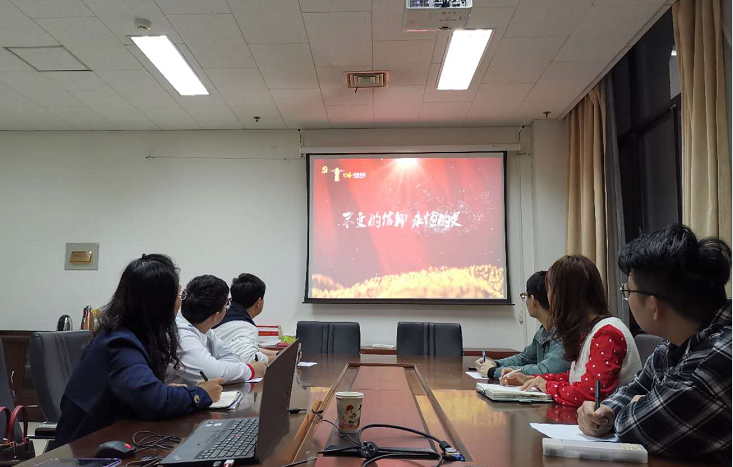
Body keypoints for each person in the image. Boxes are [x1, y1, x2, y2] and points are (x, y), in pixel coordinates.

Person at [578, 225, 731, 461]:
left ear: (653, 306)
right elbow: (635, 389)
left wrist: (633, 408)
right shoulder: (675, 342)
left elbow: (637, 428)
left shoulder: (718, 356)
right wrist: (606, 410)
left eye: (628, 291)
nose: (627, 297)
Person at [55, 254, 224, 446]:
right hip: (87, 451)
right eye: (179, 295)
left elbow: (140, 394)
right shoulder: (119, 343)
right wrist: (200, 394)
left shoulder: (130, 335)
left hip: (114, 439)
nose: (180, 303)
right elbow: (153, 401)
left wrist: (165, 391)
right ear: (159, 303)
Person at [503, 255, 642, 407]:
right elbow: (576, 378)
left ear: (564, 295)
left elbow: (588, 394)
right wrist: (533, 380)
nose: (548, 299)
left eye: (549, 290)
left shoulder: (607, 333)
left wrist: (547, 386)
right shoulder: (588, 331)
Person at [170, 275, 266, 384]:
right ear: (216, 316)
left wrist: (219, 366)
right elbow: (212, 374)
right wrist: (251, 370)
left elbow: (232, 357)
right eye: (226, 305)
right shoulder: (181, 334)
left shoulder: (203, 328)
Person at [475, 271, 570, 379]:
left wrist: (494, 371)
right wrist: (495, 364)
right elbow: (524, 358)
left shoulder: (563, 333)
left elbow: (545, 371)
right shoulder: (543, 331)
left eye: (525, 296)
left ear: (533, 300)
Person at [214, 273, 278, 364]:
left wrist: (277, 354)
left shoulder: (222, 315)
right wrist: (281, 359)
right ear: (259, 302)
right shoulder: (246, 328)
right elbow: (249, 359)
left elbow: (238, 348)